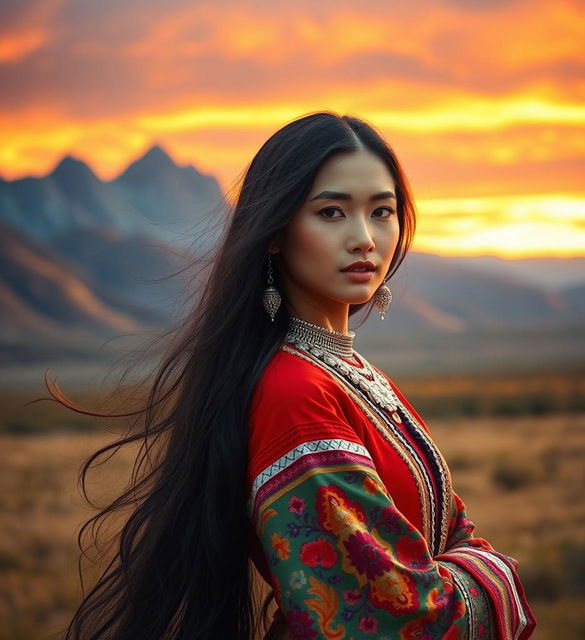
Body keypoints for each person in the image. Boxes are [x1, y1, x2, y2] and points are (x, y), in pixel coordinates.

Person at [48, 111, 535, 639]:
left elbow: (452, 530)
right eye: (331, 213)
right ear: (276, 233)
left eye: (382, 212)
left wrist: (451, 568)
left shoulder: (353, 375)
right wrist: (499, 573)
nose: (365, 238)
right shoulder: (295, 393)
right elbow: (392, 616)